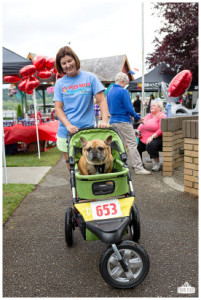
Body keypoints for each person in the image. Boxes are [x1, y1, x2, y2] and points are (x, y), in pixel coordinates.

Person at [53, 46, 109, 170]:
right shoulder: (60, 83)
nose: (67, 65)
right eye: (63, 63)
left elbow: (101, 100)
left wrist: (105, 120)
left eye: (69, 61)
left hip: (86, 133)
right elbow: (58, 108)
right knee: (73, 169)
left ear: (75, 60)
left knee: (89, 168)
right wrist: (68, 125)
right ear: (60, 66)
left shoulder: (90, 78)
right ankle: (77, 190)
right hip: (66, 132)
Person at [107, 72, 150, 175]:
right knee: (132, 144)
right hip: (123, 121)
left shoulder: (110, 92)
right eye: (125, 83)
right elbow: (129, 108)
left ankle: (120, 166)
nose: (125, 85)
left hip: (113, 121)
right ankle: (138, 168)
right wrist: (138, 118)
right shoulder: (123, 91)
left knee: (119, 145)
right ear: (122, 81)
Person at [137, 99, 166, 171]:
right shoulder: (148, 115)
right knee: (136, 146)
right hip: (144, 138)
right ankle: (139, 164)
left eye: (153, 105)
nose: (151, 107)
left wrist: (152, 137)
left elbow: (161, 129)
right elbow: (140, 126)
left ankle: (156, 164)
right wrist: (137, 134)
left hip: (157, 137)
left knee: (150, 145)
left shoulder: (162, 115)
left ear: (159, 107)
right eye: (150, 106)